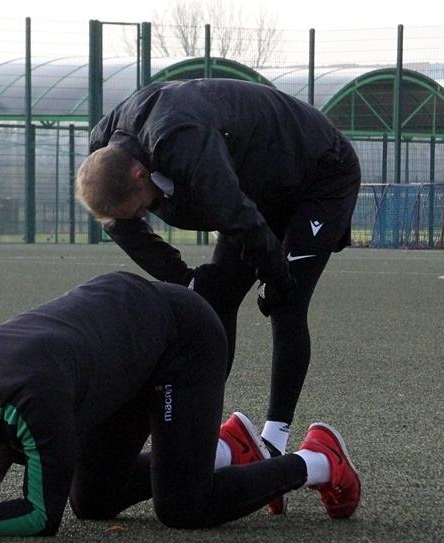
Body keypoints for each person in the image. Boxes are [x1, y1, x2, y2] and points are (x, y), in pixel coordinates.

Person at [0, 272, 362, 537]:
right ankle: (224, 449)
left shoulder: (32, 405)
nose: (0, 488)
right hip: (113, 353)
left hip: (179, 337)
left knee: (185, 506)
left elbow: (41, 518)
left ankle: (318, 460)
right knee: (93, 500)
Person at [75, 79, 362, 515]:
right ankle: (203, 430)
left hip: (318, 172)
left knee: (286, 303)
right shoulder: (106, 153)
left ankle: (276, 441)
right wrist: (184, 279)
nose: (138, 217)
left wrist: (277, 277)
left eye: (136, 208)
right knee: (210, 302)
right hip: (255, 185)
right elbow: (126, 225)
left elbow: (233, 212)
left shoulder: (182, 142)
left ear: (138, 174)